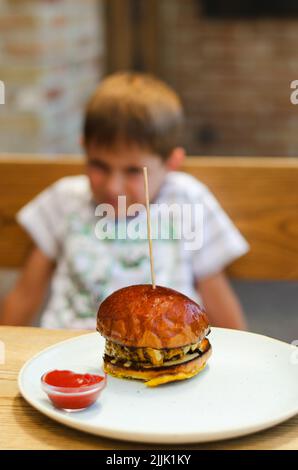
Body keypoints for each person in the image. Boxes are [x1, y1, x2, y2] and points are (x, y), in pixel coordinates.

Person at [0, 72, 249, 330]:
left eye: (133, 171)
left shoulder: (186, 200)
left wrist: (245, 362)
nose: (113, 186)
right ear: (84, 148)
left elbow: (215, 292)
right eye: (99, 165)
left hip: (158, 353)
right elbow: (25, 294)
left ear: (171, 163)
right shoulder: (64, 200)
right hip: (67, 350)